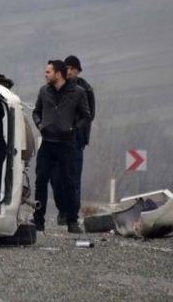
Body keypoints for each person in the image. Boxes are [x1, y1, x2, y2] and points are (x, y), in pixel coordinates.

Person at [32, 59, 91, 234]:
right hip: (48, 143)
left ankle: (72, 221)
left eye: (48, 72)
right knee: (41, 181)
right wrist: (40, 125)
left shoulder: (78, 92)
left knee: (70, 182)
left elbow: (86, 115)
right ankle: (38, 220)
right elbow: (36, 111)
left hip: (67, 144)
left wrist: (74, 129)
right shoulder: (44, 91)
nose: (45, 74)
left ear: (58, 73)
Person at [52, 55, 96, 226]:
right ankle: (62, 209)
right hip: (55, 138)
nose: (69, 71)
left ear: (77, 70)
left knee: (73, 177)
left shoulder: (86, 89)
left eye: (72, 68)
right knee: (55, 177)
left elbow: (89, 115)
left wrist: (75, 128)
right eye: (66, 68)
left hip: (75, 139)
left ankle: (71, 213)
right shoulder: (55, 87)